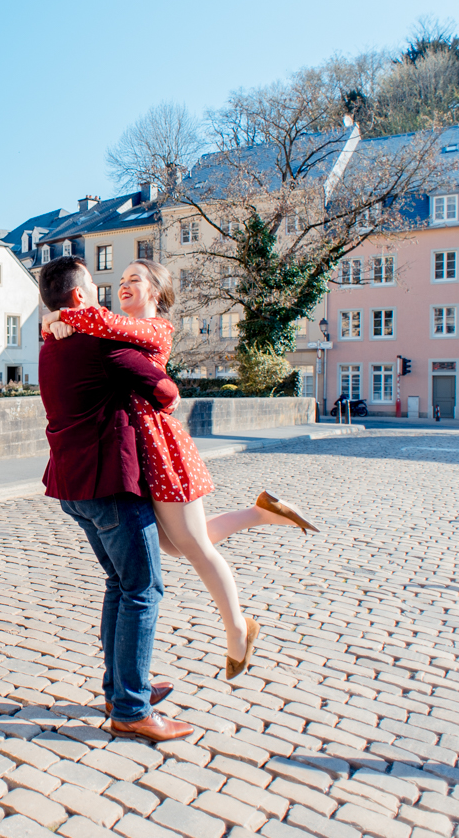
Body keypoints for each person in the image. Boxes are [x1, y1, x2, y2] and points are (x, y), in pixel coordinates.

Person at [45, 259, 317, 680]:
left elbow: (99, 324)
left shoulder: (156, 328)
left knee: (194, 547)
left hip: (161, 447)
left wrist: (61, 316)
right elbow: (96, 325)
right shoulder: (110, 325)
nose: (123, 286)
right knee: (176, 546)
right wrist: (60, 321)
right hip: (140, 454)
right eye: (120, 280)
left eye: (135, 279)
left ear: (156, 291)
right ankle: (260, 512)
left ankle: (237, 630)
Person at [38, 255, 193, 742]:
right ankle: (130, 707)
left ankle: (121, 687)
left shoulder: (49, 343)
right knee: (143, 590)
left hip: (71, 484)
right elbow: (165, 391)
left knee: (118, 585)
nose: (108, 297)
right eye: (98, 290)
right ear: (79, 298)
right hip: (110, 484)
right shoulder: (98, 343)